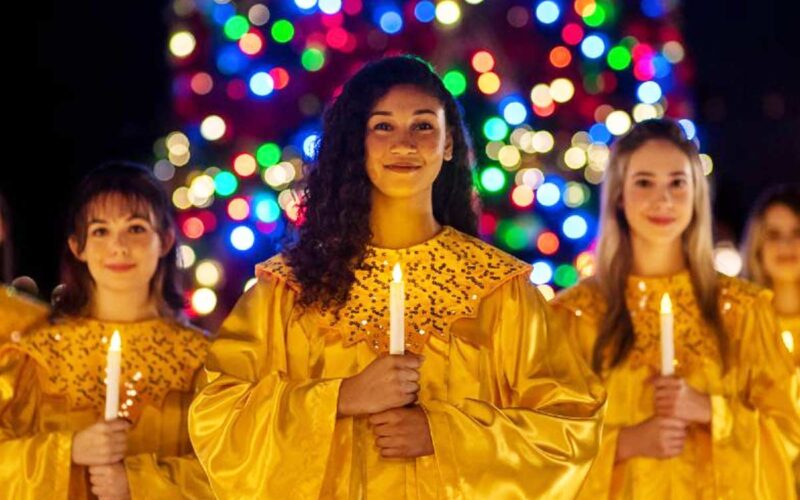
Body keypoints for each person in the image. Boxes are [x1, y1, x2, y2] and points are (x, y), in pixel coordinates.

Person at [189, 55, 606, 499]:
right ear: (357, 142)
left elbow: (570, 426)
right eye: (383, 126)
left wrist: (443, 435)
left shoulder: (499, 289)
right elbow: (218, 417)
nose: (404, 143)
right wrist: (343, 397)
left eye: (423, 126)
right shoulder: (290, 289)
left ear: (448, 144)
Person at [550, 119, 800, 498]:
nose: (662, 200)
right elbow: (539, 447)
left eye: (677, 183)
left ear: (697, 193)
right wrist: (624, 443)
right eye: (644, 182)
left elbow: (786, 438)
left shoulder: (743, 312)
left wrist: (712, 412)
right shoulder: (574, 316)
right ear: (619, 194)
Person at [0, 163, 212, 499]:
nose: (119, 247)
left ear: (166, 240)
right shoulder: (34, 358)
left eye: (136, 228)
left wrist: (141, 484)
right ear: (77, 246)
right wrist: (67, 450)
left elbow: (237, 474)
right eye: (100, 231)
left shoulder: (208, 364)